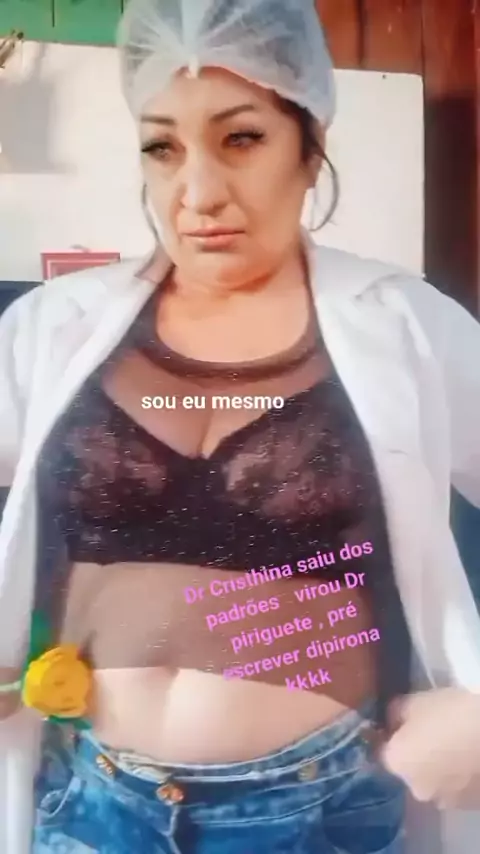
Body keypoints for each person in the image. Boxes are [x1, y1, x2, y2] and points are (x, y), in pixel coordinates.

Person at [0, 1, 480, 852]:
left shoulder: (408, 325)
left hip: (316, 812)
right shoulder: (53, 325)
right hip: (89, 807)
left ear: (310, 147)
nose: (198, 194)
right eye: (162, 147)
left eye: (242, 138)